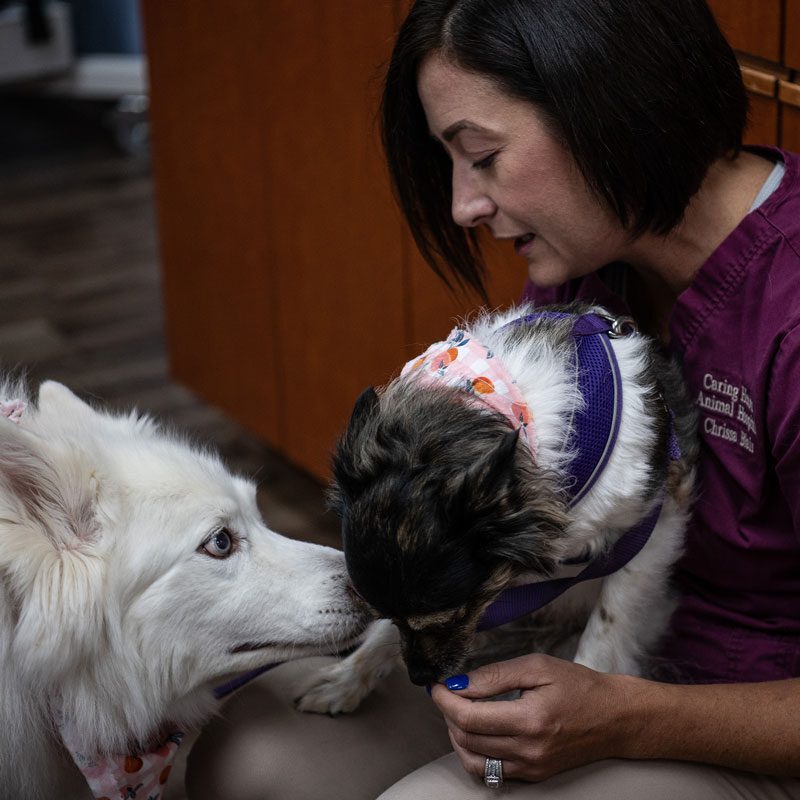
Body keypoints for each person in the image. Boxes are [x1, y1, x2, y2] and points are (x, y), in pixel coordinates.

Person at [185, 1, 800, 797]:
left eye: (481, 155)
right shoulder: (587, 259)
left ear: (611, 108)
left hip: (742, 711)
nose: (462, 208)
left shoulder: (785, 314)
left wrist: (624, 717)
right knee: (253, 758)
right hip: (564, 640)